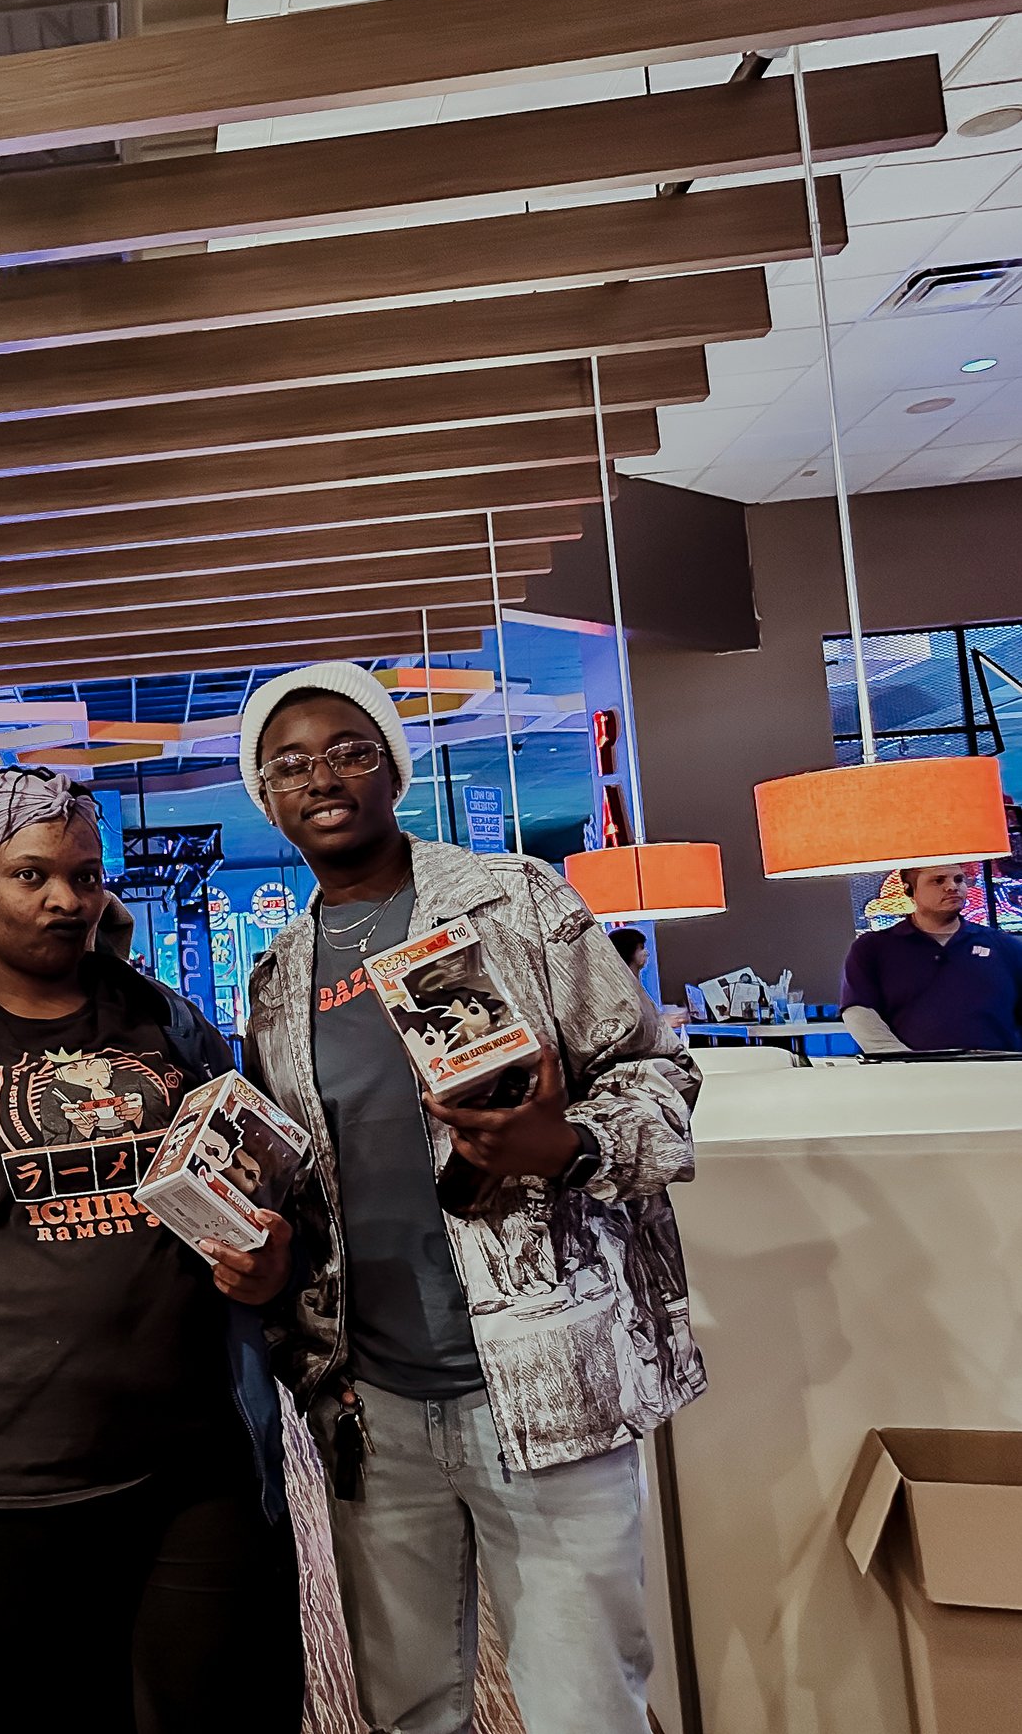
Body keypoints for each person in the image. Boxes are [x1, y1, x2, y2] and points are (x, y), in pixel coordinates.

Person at [232, 662, 704, 1734]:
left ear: (393, 767)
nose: (321, 777)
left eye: (349, 750)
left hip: (545, 1379)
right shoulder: (276, 973)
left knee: (583, 1700)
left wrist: (567, 1142)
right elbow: (306, 1181)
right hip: (374, 1401)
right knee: (407, 1705)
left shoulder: (514, 900)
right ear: (265, 798)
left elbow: (659, 1081)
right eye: (289, 763)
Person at [0, 767, 304, 1734]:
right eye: (31, 875)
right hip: (0, 1484)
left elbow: (249, 1190)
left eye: (85, 876)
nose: (65, 901)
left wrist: (267, 1257)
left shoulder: (168, 1023)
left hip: (192, 1462)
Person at [841, 863, 1022, 1053]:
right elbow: (860, 1012)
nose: (953, 887)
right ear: (909, 889)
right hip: (911, 1075)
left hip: (999, 1073)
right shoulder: (872, 948)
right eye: (938, 880)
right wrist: (902, 1061)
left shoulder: (1005, 946)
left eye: (959, 879)